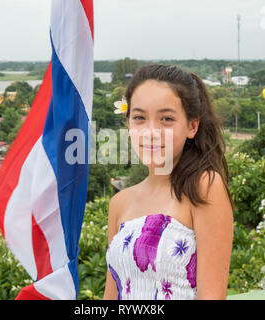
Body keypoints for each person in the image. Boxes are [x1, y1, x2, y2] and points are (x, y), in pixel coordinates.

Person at [103, 64, 234, 300]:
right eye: (139, 118)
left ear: (192, 126)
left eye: (166, 119)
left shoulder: (203, 187)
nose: (151, 131)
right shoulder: (119, 202)